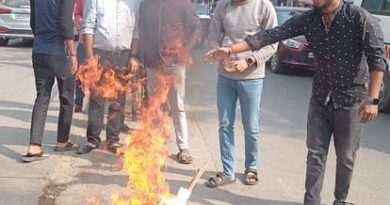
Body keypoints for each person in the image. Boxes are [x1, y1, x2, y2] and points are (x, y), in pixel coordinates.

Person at [205, 0, 386, 204]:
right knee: (315, 154)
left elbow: (377, 58)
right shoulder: (309, 19)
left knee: (345, 156)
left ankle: (340, 200)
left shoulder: (359, 18)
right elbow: (268, 36)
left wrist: (372, 99)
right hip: (320, 97)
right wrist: (229, 50)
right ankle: (311, 201)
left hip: (351, 100)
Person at [205, 0, 278, 188]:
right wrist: (219, 54)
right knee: (225, 124)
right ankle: (228, 171)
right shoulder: (223, 6)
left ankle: (251, 168)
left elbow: (272, 43)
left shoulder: (264, 7)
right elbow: (213, 35)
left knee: (251, 125)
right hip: (225, 77)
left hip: (252, 78)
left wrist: (250, 61)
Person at [138, 0, 201, 164]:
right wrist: (141, 60)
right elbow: (142, 33)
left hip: (175, 63)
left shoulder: (181, 3)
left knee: (177, 106)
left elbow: (197, 29)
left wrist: (185, 52)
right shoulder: (146, 4)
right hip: (152, 63)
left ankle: (183, 147)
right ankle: (155, 145)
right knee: (155, 106)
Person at [76, 0, 141, 154]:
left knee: (118, 101)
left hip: (123, 56)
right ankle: (93, 139)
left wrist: (133, 56)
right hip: (100, 54)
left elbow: (136, 31)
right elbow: (88, 27)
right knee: (97, 98)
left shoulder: (134, 2)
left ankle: (113, 139)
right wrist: (91, 58)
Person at [22, 0, 78, 162]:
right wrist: (73, 55)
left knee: (42, 97)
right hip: (59, 51)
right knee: (67, 97)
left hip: (39, 50)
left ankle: (34, 146)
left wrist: (42, 38)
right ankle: (62, 142)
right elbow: (66, 23)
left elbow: (33, 22)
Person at [73, 0, 86, 113]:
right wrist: (81, 22)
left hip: (101, 43)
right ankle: (78, 101)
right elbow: (77, 13)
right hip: (84, 41)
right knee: (80, 74)